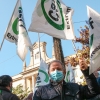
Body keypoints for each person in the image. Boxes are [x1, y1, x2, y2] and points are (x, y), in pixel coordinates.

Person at [33, 58, 100, 100]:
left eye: (59, 69)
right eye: (53, 70)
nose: (56, 71)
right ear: (48, 73)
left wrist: (86, 71)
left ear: (64, 72)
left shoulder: (75, 87)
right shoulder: (40, 92)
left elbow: (93, 91)